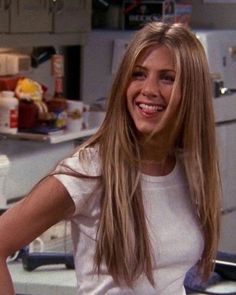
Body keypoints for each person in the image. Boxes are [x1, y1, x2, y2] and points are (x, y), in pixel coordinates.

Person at [0, 21, 221, 295]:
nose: (149, 89)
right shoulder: (91, 170)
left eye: (167, 78)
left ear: (192, 92)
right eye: (138, 74)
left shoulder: (188, 170)